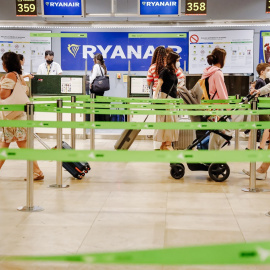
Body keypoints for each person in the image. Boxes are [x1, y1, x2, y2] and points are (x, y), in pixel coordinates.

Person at [0, 52, 44, 180]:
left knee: (13, 144)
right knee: (11, 144)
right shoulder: (19, 76)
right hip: (18, 116)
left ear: (6, 63)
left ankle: (37, 171)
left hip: (12, 118)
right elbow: (25, 92)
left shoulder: (9, 75)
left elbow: (3, 94)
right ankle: (37, 171)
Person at [201, 48, 229, 150]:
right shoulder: (218, 73)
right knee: (221, 132)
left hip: (208, 107)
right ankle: (212, 156)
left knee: (215, 131)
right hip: (216, 108)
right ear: (222, 59)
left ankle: (211, 155)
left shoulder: (206, 72)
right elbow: (222, 93)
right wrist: (229, 109)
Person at [153, 51, 180, 150]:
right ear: (173, 60)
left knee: (171, 121)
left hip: (172, 99)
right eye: (177, 60)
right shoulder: (164, 71)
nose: (178, 62)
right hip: (166, 99)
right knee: (168, 121)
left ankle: (165, 144)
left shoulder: (173, 72)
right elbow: (159, 85)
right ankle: (167, 144)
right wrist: (155, 98)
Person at [246, 63, 270, 150]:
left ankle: (253, 146)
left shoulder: (261, 81)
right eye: (268, 70)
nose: (269, 72)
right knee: (266, 126)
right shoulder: (261, 81)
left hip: (261, 107)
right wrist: (258, 91)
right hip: (261, 107)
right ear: (262, 72)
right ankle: (261, 146)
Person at [87, 53, 108, 122]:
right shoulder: (103, 67)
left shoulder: (96, 66)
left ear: (96, 59)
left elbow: (93, 76)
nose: (93, 60)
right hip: (101, 89)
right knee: (100, 104)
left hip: (96, 88)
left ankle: (94, 120)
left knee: (94, 104)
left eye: (94, 58)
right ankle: (101, 120)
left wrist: (90, 82)